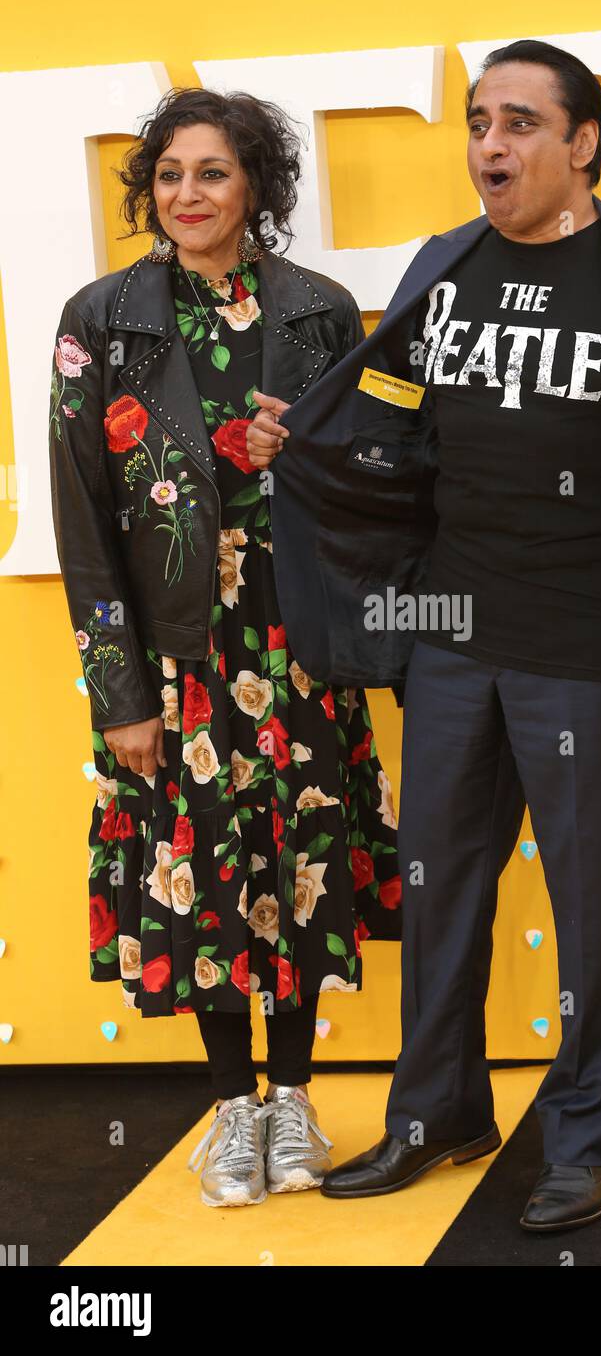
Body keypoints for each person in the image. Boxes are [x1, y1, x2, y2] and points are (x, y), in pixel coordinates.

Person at [247, 40, 601, 1232]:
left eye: (521, 123)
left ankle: (582, 1136)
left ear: (581, 141)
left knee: (589, 907)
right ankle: (435, 1112)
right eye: (480, 121)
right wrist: (312, 445)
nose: (491, 144)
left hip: (597, 642)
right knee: (436, 888)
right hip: (451, 634)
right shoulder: (444, 264)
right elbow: (397, 429)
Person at [48, 86, 401, 1209]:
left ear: (256, 184)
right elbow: (83, 520)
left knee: (296, 869)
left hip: (298, 646)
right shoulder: (100, 320)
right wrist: (120, 692)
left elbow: (380, 477)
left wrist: (304, 456)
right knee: (199, 879)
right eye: (167, 175)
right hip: (178, 658)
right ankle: (231, 1108)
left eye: (211, 172)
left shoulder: (319, 312)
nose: (186, 195)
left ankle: (293, 1097)